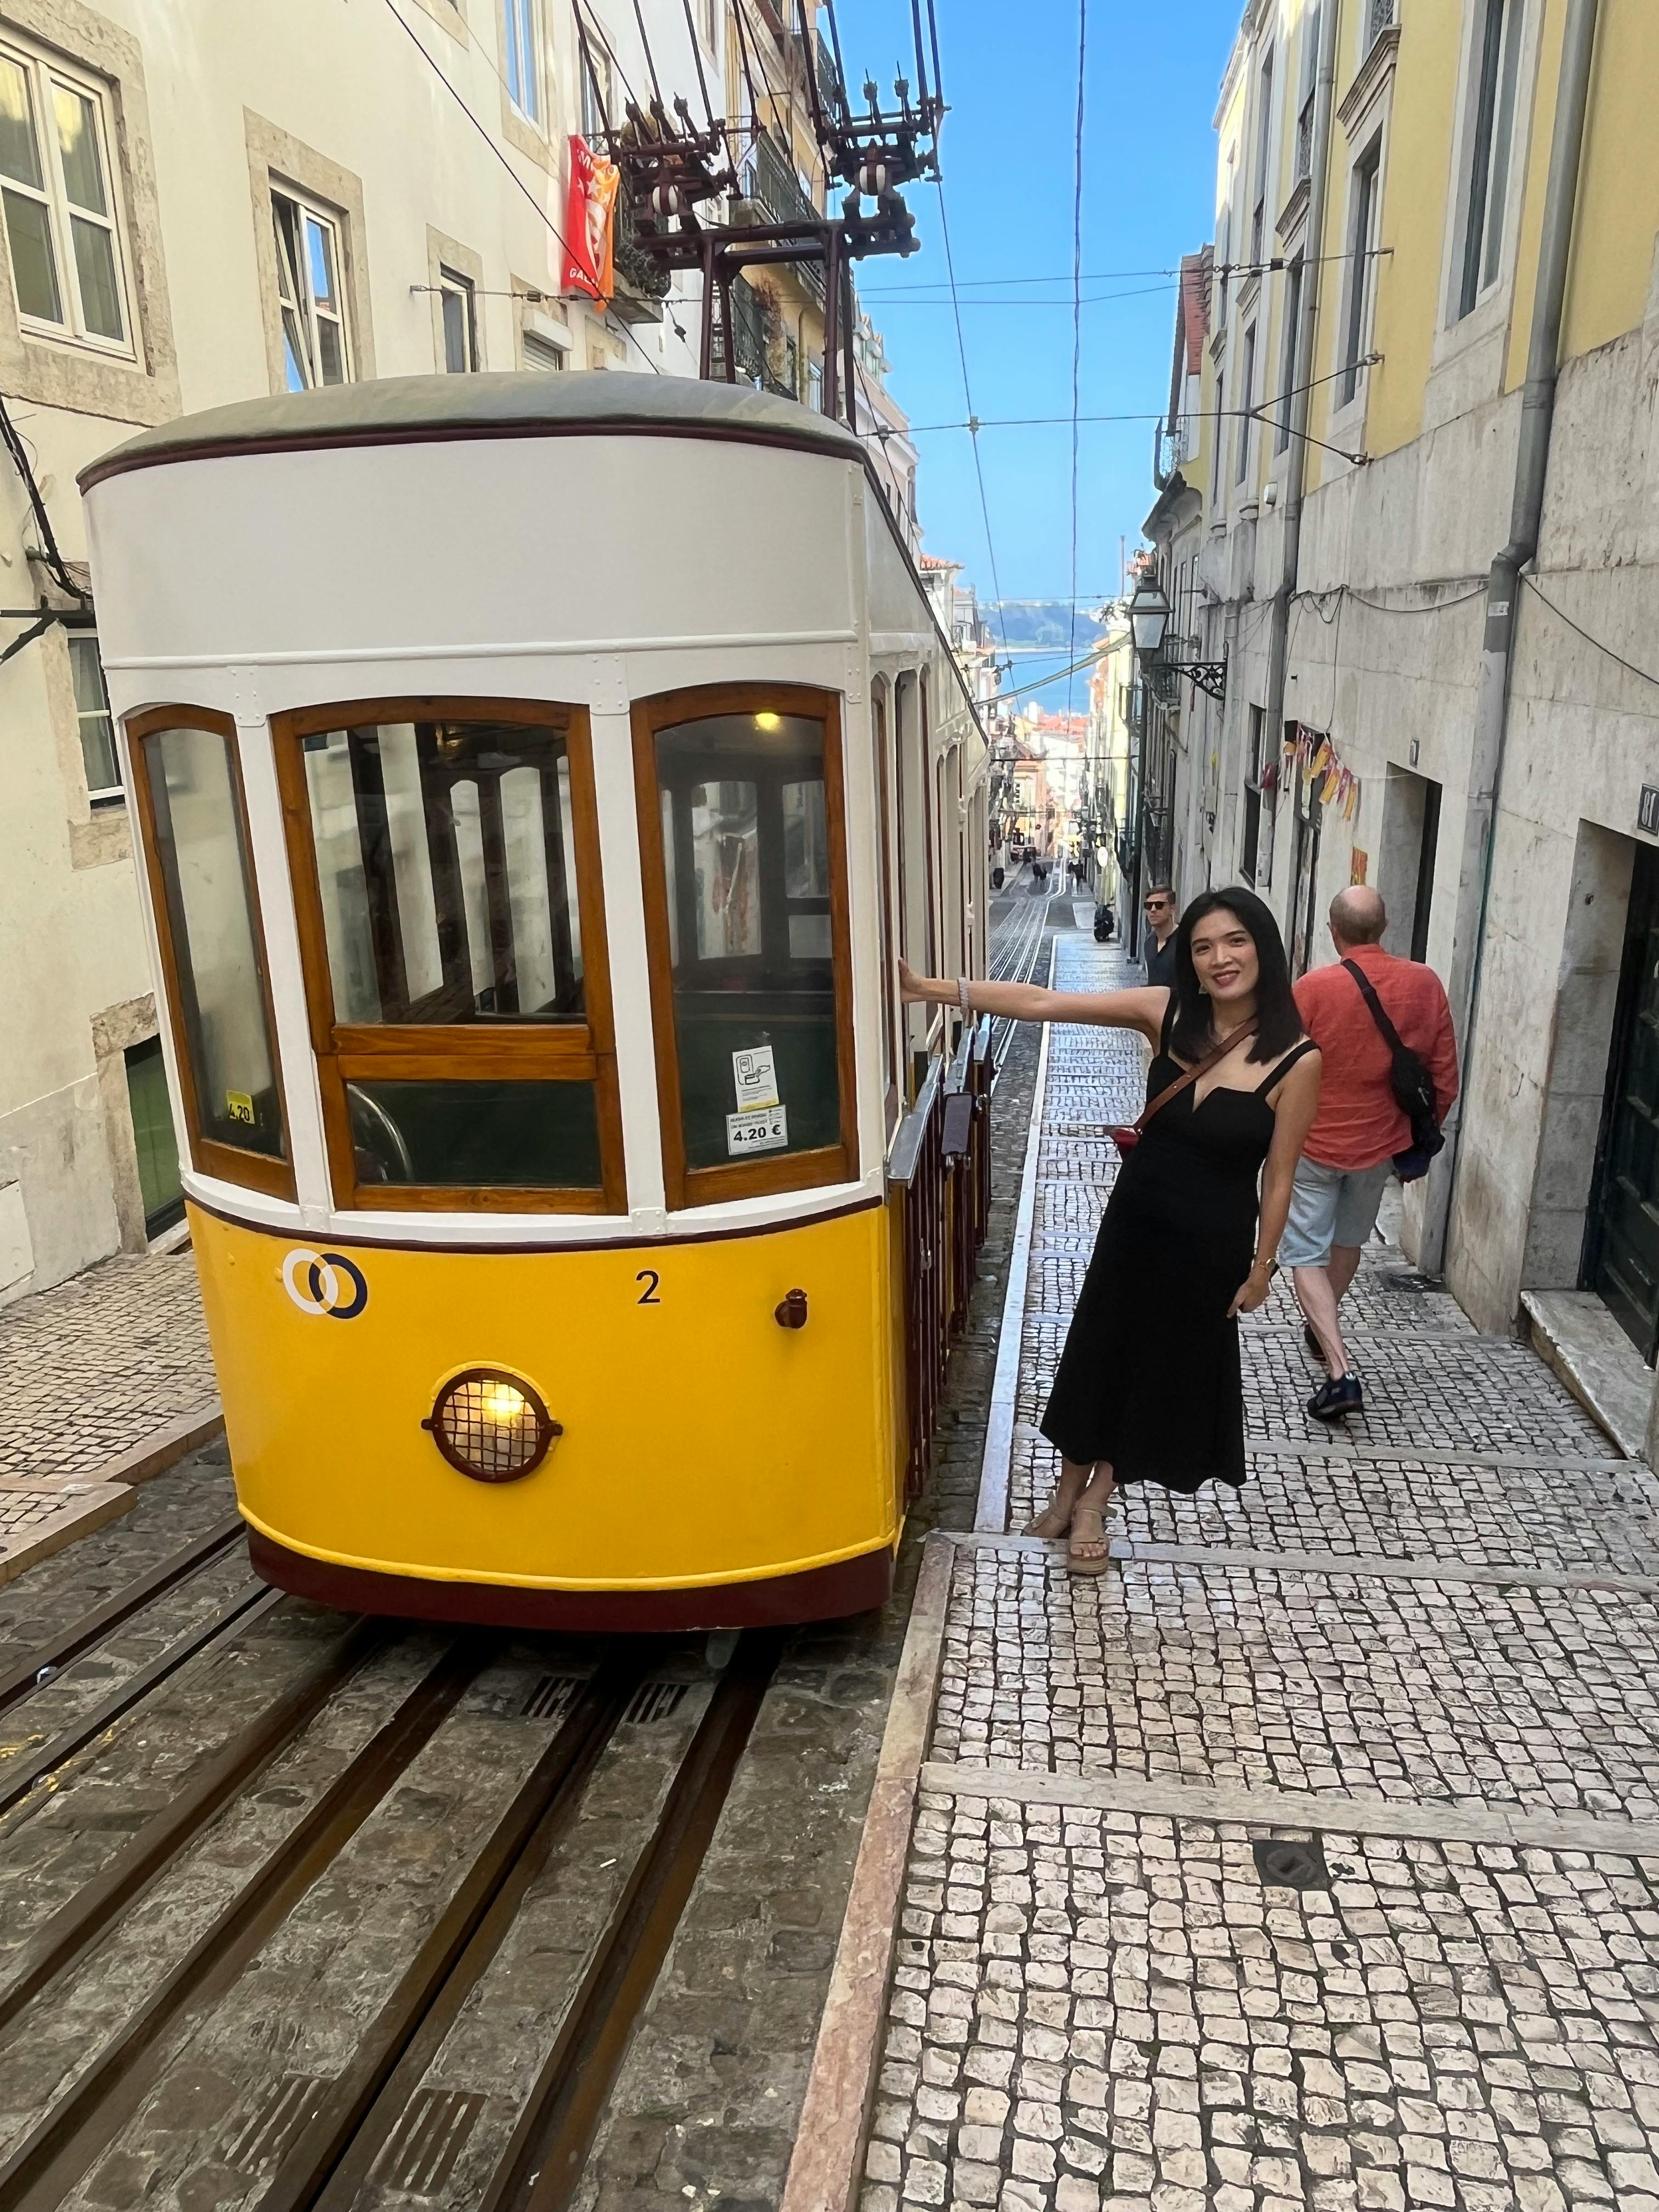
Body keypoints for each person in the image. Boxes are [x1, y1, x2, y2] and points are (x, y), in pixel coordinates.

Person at [901, 887, 1321, 1572]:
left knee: (1154, 1370)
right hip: (1135, 1224)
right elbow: (1043, 1003)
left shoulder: (1299, 1060)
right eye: (1204, 947)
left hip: (1210, 1246)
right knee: (1099, 1353)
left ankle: (1095, 1499)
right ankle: (1067, 1493)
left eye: (1235, 941)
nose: (1220, 958)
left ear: (1263, 949)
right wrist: (931, 990)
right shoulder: (1166, 1012)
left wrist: (1262, 1267)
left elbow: (1280, 1175)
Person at [1286, 885, 1460, 1420]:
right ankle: (1324, 1328)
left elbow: (1281, 1069)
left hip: (1314, 1144)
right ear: (1385, 928)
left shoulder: (1312, 990)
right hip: (1380, 1148)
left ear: (1333, 932)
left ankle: (1339, 1372)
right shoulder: (1425, 984)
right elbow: (1444, 1077)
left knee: (1304, 1253)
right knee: (1347, 1242)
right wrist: (1418, 1139)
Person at [1141, 884, 1178, 988]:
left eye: (1159, 905)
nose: (1153, 910)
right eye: (1149, 906)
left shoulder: (1185, 940)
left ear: (1172, 909)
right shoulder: (1149, 943)